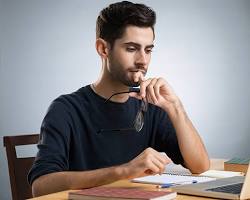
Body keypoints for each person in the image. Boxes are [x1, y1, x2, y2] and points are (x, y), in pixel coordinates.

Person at [28, 1, 210, 197]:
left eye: (148, 50)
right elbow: (40, 185)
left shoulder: (151, 106)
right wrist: (123, 171)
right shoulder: (66, 109)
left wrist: (176, 108)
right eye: (132, 48)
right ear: (103, 49)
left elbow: (200, 166)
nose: (143, 60)